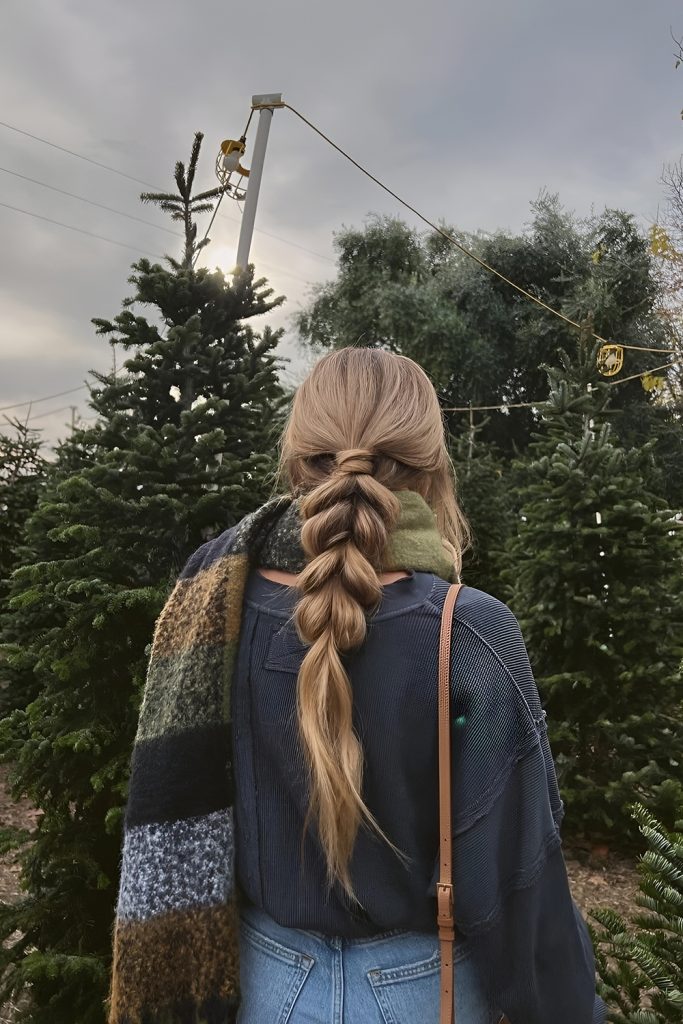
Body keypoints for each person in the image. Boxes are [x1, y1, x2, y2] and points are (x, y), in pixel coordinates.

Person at [107, 345, 607, 1024]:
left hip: (260, 988)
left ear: (297, 459)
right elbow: (518, 871)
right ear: (430, 471)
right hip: (420, 992)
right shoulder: (468, 631)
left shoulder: (213, 599)